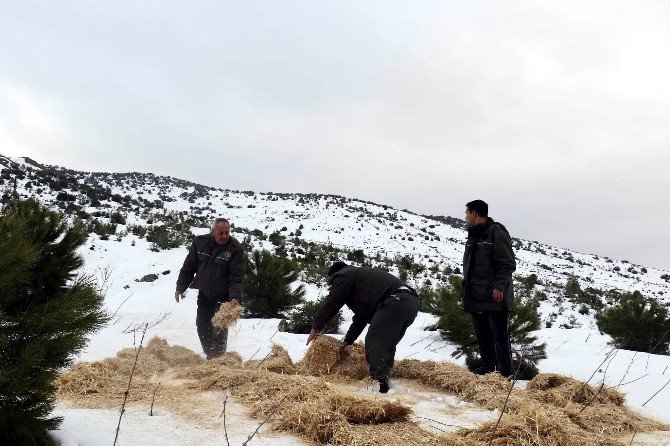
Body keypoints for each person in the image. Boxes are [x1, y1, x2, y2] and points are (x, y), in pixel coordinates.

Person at [307, 262, 419, 393]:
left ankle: (380, 385)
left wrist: (315, 327)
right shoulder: (361, 280)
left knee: (375, 342)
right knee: (386, 344)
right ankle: (384, 378)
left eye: (333, 281)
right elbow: (361, 318)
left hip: (395, 301)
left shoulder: (344, 275)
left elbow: (332, 302)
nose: (334, 284)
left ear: (335, 274)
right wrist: (347, 341)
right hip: (411, 303)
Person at [175, 218, 244, 359]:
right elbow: (189, 267)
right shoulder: (200, 243)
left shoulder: (235, 248)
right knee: (202, 325)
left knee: (219, 328)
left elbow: (236, 277)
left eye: (227, 233)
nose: (225, 236)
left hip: (224, 298)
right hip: (205, 294)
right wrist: (180, 287)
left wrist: (235, 297)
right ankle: (209, 353)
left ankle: (218, 359)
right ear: (213, 231)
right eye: (221, 233)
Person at [462, 199, 516, 377]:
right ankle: (489, 376)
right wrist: (465, 292)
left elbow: (506, 264)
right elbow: (468, 268)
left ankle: (505, 378)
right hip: (476, 298)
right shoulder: (473, 235)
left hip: (494, 298)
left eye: (467, 213)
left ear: (474, 214)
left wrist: (499, 287)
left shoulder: (497, 232)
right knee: (484, 341)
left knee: (500, 340)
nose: (465, 217)